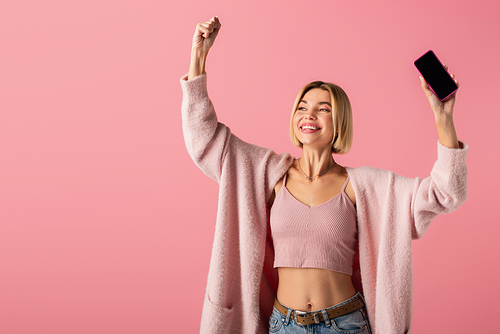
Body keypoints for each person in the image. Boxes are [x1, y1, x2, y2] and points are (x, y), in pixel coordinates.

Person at [181, 17, 468, 334]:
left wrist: (444, 121)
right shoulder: (266, 174)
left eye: (323, 108)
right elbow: (203, 139)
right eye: (302, 107)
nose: (309, 115)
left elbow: (446, 192)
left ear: (339, 121)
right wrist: (198, 57)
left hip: (345, 324)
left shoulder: (366, 187)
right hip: (283, 325)